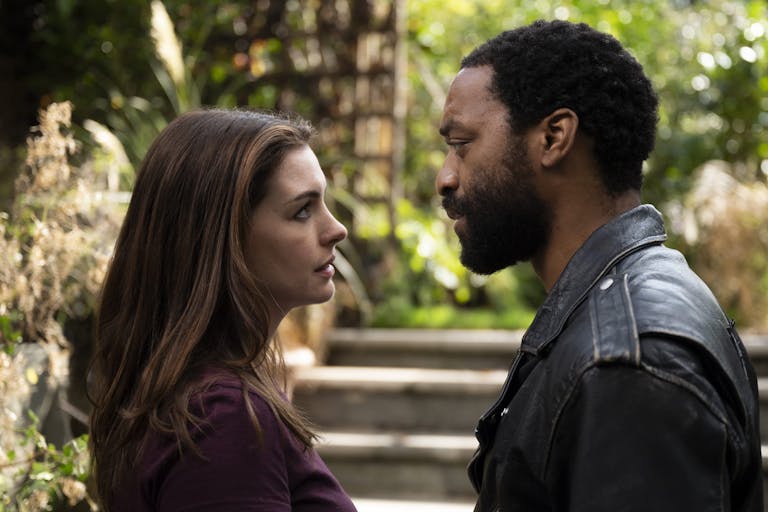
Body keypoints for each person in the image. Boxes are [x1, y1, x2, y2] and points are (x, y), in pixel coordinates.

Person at [436, 20, 762, 511]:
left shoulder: (629, 363)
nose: (445, 177)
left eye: (462, 144)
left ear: (554, 137)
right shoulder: (623, 314)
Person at [88, 109, 357, 511]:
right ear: (223, 238)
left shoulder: (188, 396)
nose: (337, 228)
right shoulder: (223, 417)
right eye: (302, 210)